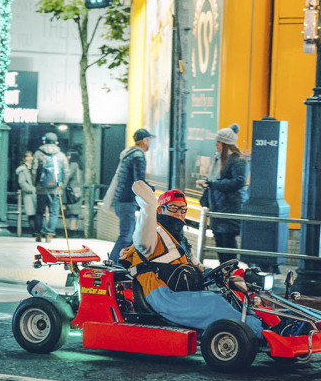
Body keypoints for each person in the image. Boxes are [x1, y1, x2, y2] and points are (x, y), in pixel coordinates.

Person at [125, 182, 261, 336]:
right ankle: (256, 331)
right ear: (160, 210)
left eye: (183, 209)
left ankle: (268, 323)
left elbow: (196, 265)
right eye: (173, 208)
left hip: (182, 292)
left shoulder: (181, 241)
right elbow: (142, 240)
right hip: (162, 296)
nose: (179, 213)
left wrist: (213, 271)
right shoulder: (153, 235)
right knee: (212, 302)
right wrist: (148, 207)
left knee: (229, 297)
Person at [198, 126, 248, 260]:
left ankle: (230, 274)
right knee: (220, 242)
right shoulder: (219, 159)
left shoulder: (237, 161)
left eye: (219, 142)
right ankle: (223, 274)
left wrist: (212, 184)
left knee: (227, 243)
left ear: (226, 144)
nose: (216, 144)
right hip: (218, 207)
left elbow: (238, 182)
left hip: (229, 208)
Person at [107, 128, 153, 263]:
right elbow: (139, 181)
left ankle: (123, 263)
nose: (150, 143)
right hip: (127, 201)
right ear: (144, 141)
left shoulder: (129, 154)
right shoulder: (138, 156)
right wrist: (151, 190)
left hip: (121, 199)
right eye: (149, 140)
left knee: (130, 235)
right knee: (126, 236)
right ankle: (113, 263)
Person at [31, 132, 70, 242]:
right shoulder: (61, 155)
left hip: (41, 187)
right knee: (53, 212)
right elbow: (66, 172)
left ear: (44, 141)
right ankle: (49, 234)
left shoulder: (38, 153)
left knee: (39, 211)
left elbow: (34, 170)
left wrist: (35, 184)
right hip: (56, 188)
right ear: (56, 142)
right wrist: (62, 185)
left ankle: (38, 233)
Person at [15, 152, 37, 235]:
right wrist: (31, 189)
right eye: (28, 156)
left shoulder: (34, 167)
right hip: (29, 194)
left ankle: (37, 230)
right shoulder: (23, 169)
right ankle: (34, 231)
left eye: (31, 156)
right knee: (31, 213)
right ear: (24, 158)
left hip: (35, 193)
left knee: (36, 213)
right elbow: (22, 182)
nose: (30, 158)